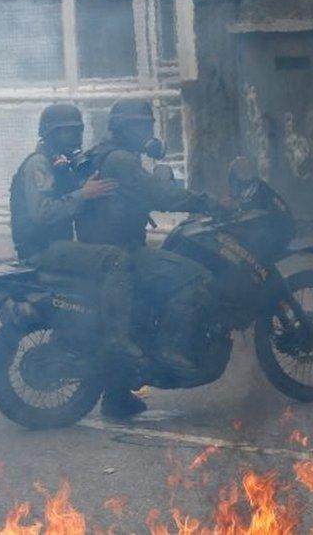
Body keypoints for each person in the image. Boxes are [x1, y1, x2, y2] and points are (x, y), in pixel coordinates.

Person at [74, 99, 225, 406]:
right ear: (127, 128)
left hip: (101, 250)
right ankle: (172, 351)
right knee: (194, 278)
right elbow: (159, 193)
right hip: (121, 252)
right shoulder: (120, 160)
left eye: (149, 126)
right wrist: (207, 201)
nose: (148, 133)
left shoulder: (102, 154)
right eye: (143, 126)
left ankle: (117, 395)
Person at [9, 103, 148, 419]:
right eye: (66, 131)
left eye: (77, 130)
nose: (73, 137)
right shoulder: (38, 165)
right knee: (115, 261)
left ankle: (117, 392)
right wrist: (83, 195)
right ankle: (117, 340)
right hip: (43, 250)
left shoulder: (58, 162)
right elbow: (42, 214)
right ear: (50, 134)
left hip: (56, 246)